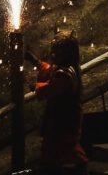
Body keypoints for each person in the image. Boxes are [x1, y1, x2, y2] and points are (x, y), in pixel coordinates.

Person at [29, 31, 87, 173]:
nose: (53, 54)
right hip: (63, 124)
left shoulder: (65, 74)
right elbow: (50, 70)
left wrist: (34, 86)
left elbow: (48, 89)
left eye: (57, 51)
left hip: (63, 124)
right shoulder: (68, 69)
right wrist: (35, 61)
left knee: (62, 155)